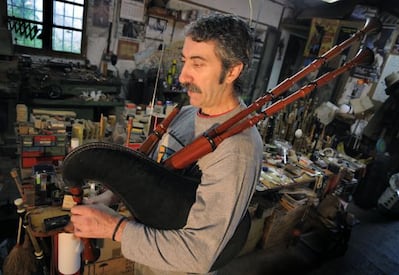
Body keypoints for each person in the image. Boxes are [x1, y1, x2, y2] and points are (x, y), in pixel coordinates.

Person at [69, 13, 263, 275]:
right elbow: (156, 178)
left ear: (232, 71)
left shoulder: (238, 149)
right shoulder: (187, 114)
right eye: (184, 62)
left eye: (198, 64)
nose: (183, 77)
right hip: (149, 263)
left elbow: (199, 254)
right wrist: (111, 197)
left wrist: (114, 228)